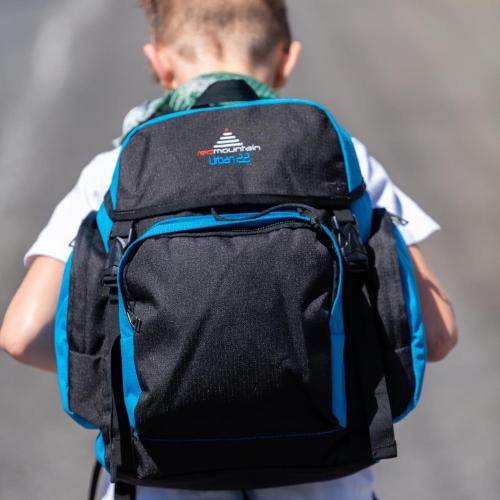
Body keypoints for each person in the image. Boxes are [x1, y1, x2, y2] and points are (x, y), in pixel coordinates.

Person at [0, 0, 458, 498]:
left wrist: (144, 359)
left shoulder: (113, 171)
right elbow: (435, 333)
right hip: (328, 476)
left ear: (159, 62)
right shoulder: (342, 156)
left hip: (155, 477)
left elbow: (23, 335)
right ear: (287, 59)